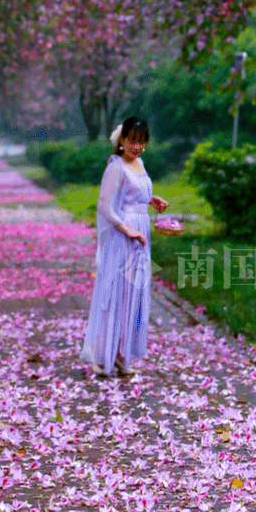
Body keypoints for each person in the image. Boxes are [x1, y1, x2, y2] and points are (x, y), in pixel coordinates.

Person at [79, 116, 169, 378]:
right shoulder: (115, 166)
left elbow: (134, 194)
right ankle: (101, 354)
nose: (137, 147)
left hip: (141, 234)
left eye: (142, 142)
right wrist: (128, 229)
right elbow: (104, 206)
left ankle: (121, 353)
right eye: (132, 141)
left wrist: (152, 200)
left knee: (134, 295)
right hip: (123, 235)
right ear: (122, 140)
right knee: (115, 292)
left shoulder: (139, 163)